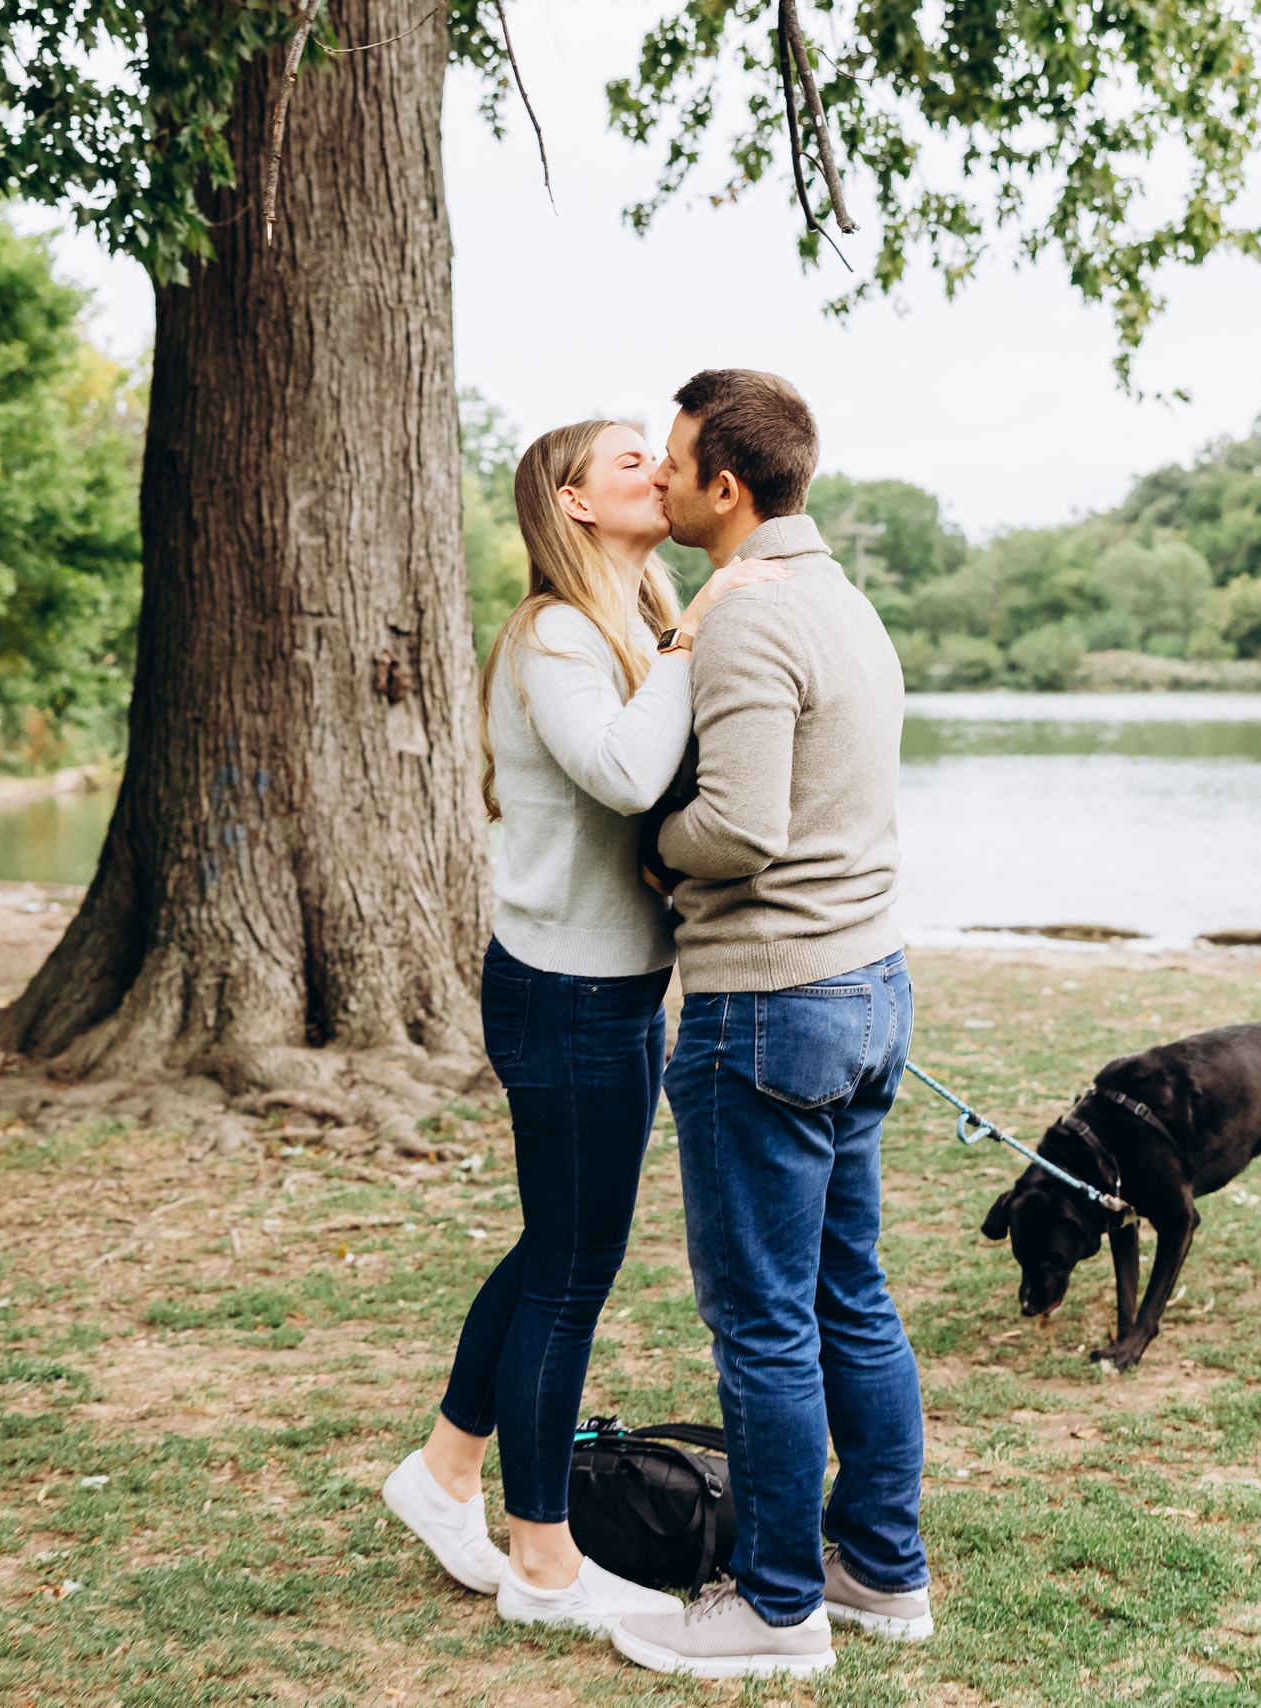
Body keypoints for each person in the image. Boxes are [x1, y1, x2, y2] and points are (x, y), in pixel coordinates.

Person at [382, 417, 785, 1633]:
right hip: (563, 997)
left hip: (610, 991)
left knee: (558, 1250)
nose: (655, 471)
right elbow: (620, 770)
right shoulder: (559, 633)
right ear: (568, 504)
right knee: (570, 1272)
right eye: (626, 459)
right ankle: (542, 1555)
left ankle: (447, 1472)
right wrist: (689, 631)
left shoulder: (622, 621)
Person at [609, 371, 933, 1681]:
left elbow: (740, 826)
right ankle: (882, 1571)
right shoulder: (841, 603)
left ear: (726, 485)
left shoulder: (751, 624)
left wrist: (649, 852)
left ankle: (780, 1603)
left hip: (769, 1007)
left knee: (763, 1321)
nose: (665, 481)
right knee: (848, 1295)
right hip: (868, 989)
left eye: (676, 462)